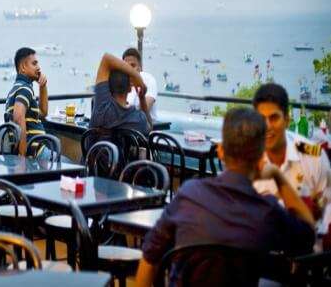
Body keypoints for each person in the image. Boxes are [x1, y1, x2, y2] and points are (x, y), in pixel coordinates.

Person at [135, 108, 315, 287]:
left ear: (220, 151)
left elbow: (150, 256)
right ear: (262, 157)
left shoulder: (188, 195)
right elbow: (308, 238)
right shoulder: (267, 210)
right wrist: (279, 178)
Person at [252, 83, 331, 207]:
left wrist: (313, 205)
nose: (267, 126)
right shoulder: (247, 158)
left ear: (287, 120)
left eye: (274, 118)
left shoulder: (313, 155)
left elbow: (328, 205)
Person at [90, 52, 151, 136]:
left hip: (93, 149)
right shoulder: (138, 119)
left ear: (108, 87)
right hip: (121, 149)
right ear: (129, 89)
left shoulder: (102, 106)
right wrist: (142, 98)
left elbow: (106, 58)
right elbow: (149, 128)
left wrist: (136, 77)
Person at [4, 47, 48, 156]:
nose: (38, 68)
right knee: (77, 168)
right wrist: (22, 158)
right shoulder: (25, 89)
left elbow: (43, 112)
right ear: (23, 67)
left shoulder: (15, 89)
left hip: (33, 151)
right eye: (34, 64)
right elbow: (18, 117)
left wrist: (43, 87)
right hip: (36, 152)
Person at [123, 48, 158, 122]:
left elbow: (143, 112)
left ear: (140, 67)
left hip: (144, 129)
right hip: (124, 127)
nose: (129, 69)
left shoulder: (148, 80)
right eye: (126, 66)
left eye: (133, 65)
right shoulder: (120, 82)